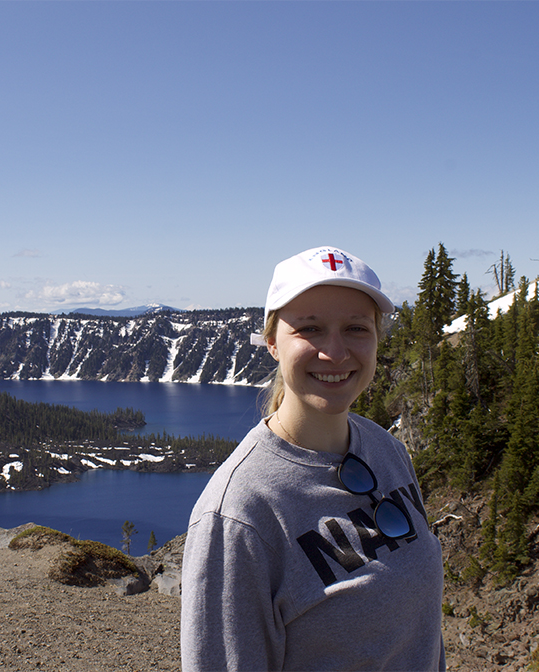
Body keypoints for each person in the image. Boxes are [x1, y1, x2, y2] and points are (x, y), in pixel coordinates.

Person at [180, 246, 445, 671]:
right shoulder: (239, 514)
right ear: (271, 343)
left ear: (377, 340)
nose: (336, 352)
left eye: (356, 328)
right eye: (310, 329)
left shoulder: (386, 449)